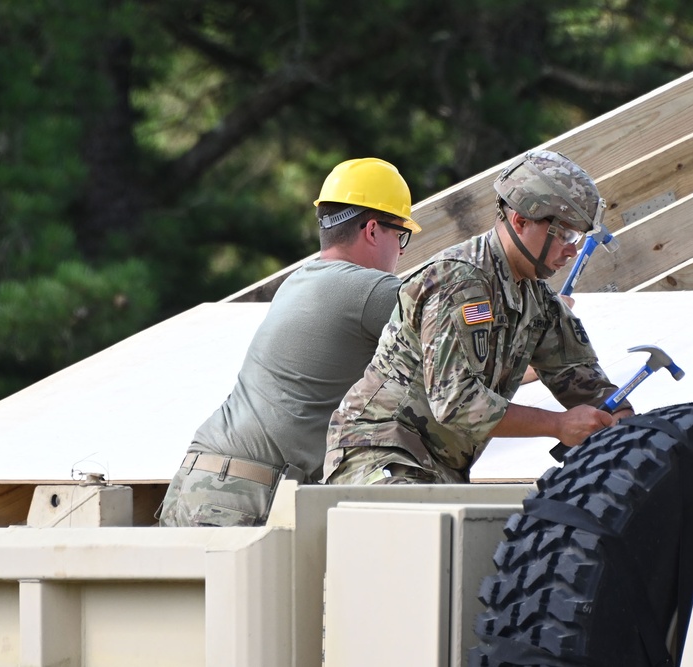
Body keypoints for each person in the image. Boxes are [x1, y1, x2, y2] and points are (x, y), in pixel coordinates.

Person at [324, 149, 631, 485]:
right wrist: (558, 425)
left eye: (579, 238)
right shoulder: (458, 280)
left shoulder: (536, 298)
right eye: (567, 235)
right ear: (521, 221)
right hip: (378, 456)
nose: (572, 250)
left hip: (436, 468)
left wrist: (623, 422)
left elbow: (581, 379)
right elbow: (456, 402)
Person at [158, 157, 421, 526]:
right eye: (401, 235)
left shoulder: (298, 282)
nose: (402, 251)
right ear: (373, 230)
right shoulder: (373, 289)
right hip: (242, 494)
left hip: (194, 478)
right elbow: (462, 355)